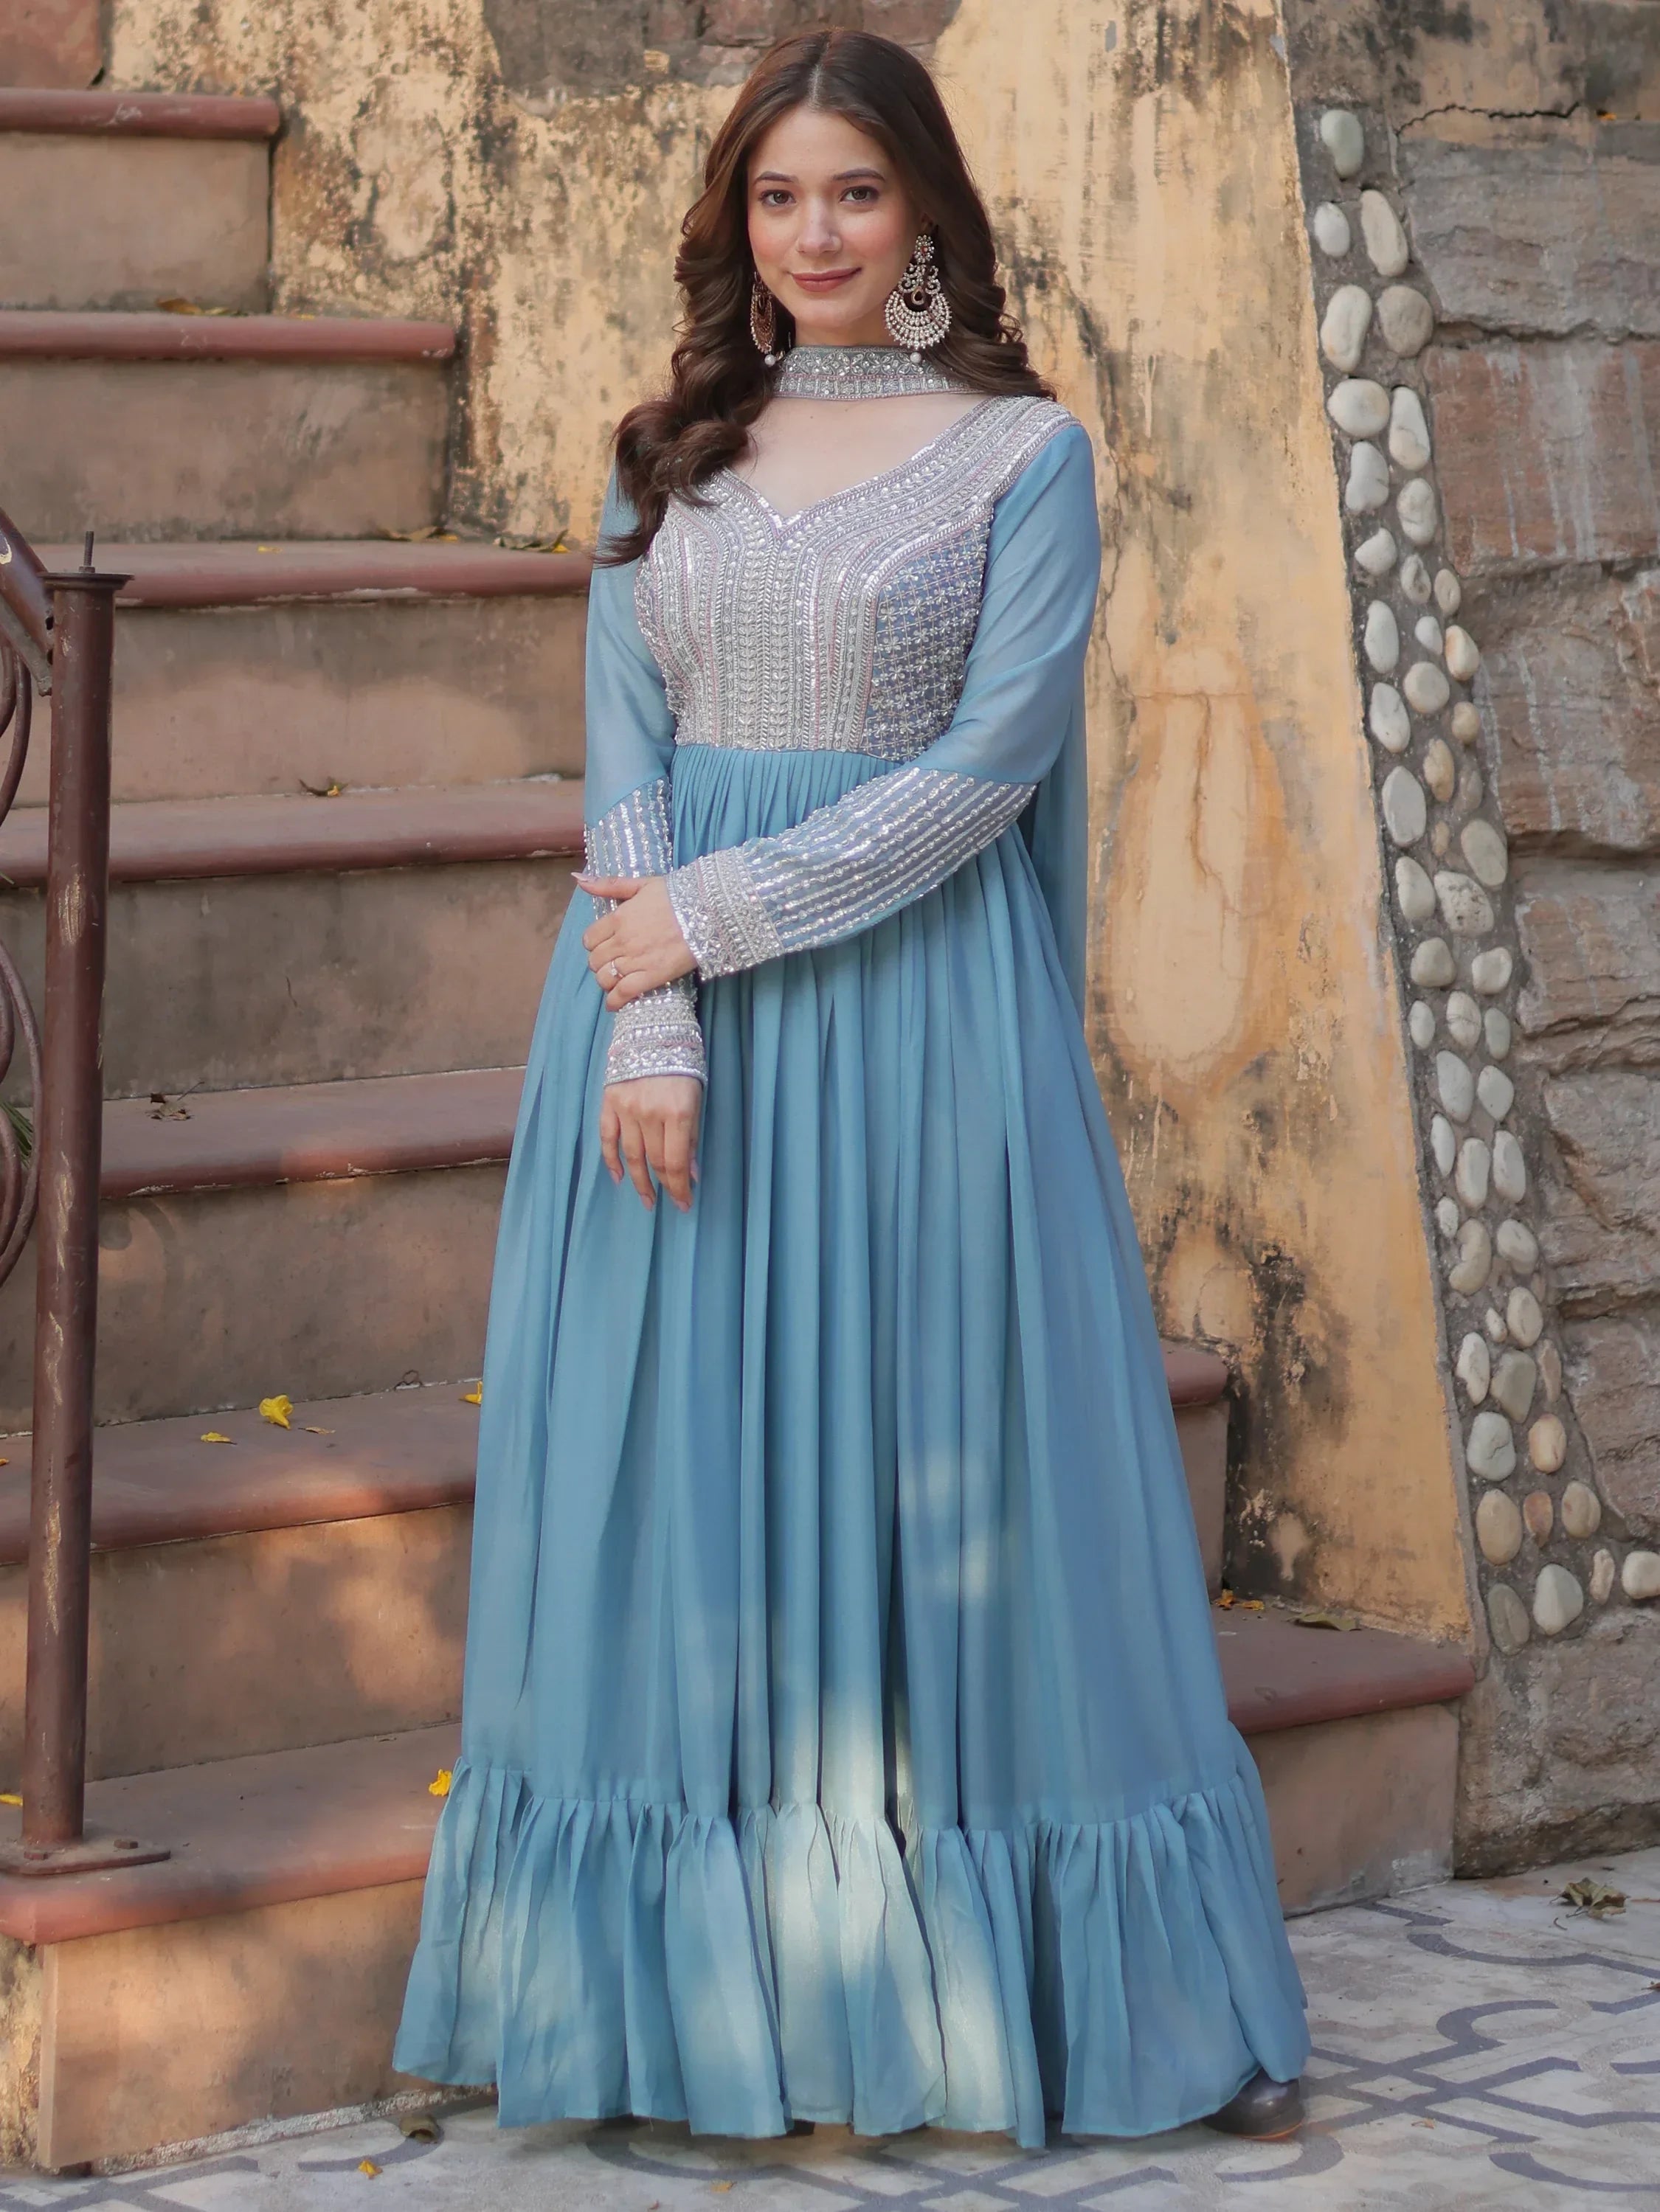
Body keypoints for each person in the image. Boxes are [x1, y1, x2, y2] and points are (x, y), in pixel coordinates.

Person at [395, 26, 1310, 2148]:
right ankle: (679, 2008)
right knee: (675, 1489)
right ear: (737, 216)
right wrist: (648, 1008)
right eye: (779, 195)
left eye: (855, 193)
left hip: (913, 1034)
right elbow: (622, 747)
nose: (812, 233)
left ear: (926, 215)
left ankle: (1051, 1999)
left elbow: (982, 781)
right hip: (657, 1046)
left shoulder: (1021, 458)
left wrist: (705, 928)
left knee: (957, 1476)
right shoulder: (662, 446)